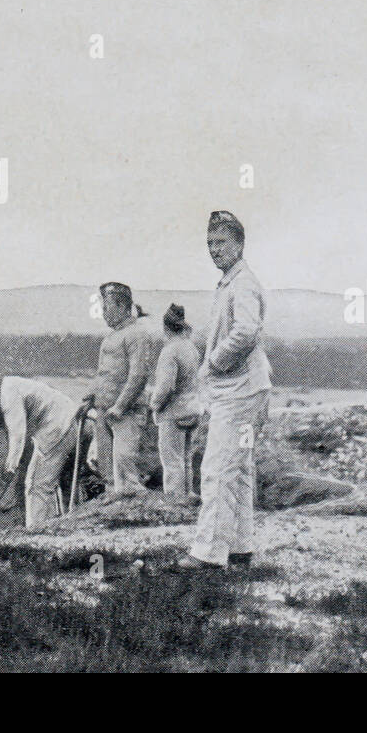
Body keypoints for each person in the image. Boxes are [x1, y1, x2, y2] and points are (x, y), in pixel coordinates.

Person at [179, 211, 273, 571]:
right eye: (209, 244)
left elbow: (247, 330)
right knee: (240, 468)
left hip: (239, 394)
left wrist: (214, 362)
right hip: (248, 391)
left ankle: (207, 554)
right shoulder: (230, 282)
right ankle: (240, 547)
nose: (214, 250)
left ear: (239, 244)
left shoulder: (243, 283)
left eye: (221, 243)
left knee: (219, 468)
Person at [81, 282, 163, 500]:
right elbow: (103, 374)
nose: (104, 312)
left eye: (107, 306)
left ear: (122, 306)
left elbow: (138, 376)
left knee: (125, 462)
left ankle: (135, 507)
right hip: (104, 410)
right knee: (107, 466)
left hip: (125, 411)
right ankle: (113, 505)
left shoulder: (137, 334)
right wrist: (90, 397)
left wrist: (120, 406)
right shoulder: (111, 337)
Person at [0, 367, 78, 528]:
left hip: (58, 427)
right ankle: (56, 525)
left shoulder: (8, 392)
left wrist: (11, 465)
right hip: (71, 422)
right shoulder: (14, 385)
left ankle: (36, 531)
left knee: (37, 484)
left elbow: (17, 433)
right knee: (56, 482)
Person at [150, 304, 204, 503]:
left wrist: (155, 404)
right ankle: (188, 495)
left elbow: (166, 387)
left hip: (174, 413)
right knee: (186, 458)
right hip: (193, 408)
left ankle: (174, 501)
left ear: (166, 328)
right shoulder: (191, 348)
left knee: (172, 461)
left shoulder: (169, 351)